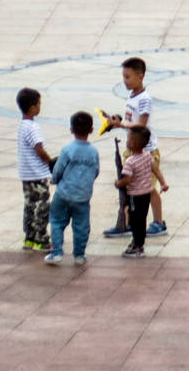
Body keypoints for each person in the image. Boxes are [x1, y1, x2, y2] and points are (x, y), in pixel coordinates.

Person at [105, 56, 168, 238]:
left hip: (146, 151)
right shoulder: (132, 96)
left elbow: (141, 124)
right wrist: (118, 121)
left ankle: (158, 222)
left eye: (128, 77)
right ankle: (128, 222)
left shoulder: (144, 99)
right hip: (133, 150)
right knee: (130, 187)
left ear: (140, 76)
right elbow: (131, 120)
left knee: (148, 188)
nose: (125, 81)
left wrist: (121, 126)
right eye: (124, 77)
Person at [45, 110, 100, 265]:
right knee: (81, 226)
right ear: (91, 130)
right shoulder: (93, 152)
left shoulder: (67, 149)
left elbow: (58, 168)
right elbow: (95, 171)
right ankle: (79, 255)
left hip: (63, 193)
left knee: (56, 221)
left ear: (71, 129)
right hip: (83, 196)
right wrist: (87, 183)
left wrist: (55, 180)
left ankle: (56, 252)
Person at [115, 124, 168, 259]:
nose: (126, 141)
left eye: (128, 139)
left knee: (135, 221)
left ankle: (138, 246)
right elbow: (156, 170)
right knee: (142, 219)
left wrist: (118, 183)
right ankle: (139, 243)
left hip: (135, 195)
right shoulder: (147, 156)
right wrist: (163, 183)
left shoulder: (130, 162)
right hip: (146, 195)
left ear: (132, 143)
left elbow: (127, 180)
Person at [14, 88, 52, 253]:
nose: (40, 106)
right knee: (42, 206)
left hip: (26, 174)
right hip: (38, 174)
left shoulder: (22, 125)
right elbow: (39, 149)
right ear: (32, 107)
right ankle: (41, 239)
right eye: (39, 103)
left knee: (29, 206)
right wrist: (50, 161)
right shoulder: (33, 127)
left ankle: (29, 237)